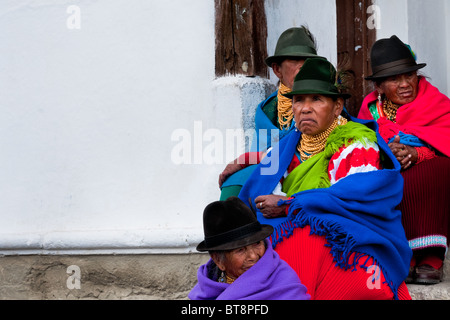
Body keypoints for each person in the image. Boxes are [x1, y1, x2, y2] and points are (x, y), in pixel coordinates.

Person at [238, 57, 412, 300]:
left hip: (352, 239)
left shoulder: (357, 144)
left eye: (316, 99)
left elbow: (350, 200)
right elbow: (256, 188)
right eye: (299, 100)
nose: (305, 108)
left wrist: (289, 204)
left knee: (304, 241)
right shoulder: (283, 150)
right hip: (296, 232)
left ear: (338, 106)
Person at [358, 35, 450, 284]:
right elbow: (361, 145)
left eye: (409, 75)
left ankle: (432, 254)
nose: (405, 84)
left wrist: (419, 153)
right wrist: (388, 154)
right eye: (393, 79)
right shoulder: (369, 111)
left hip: (430, 172)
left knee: (439, 169)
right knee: (381, 178)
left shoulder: (436, 103)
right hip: (390, 170)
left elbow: (447, 136)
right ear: (378, 86)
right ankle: (403, 252)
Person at [219, 26, 321, 200]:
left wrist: (246, 159)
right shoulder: (268, 110)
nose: (302, 67)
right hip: (274, 167)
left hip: (313, 167)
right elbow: (266, 158)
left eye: (307, 60)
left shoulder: (326, 100)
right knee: (234, 183)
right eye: (294, 60)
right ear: (277, 70)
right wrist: (252, 159)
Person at [188, 196, 310, 300]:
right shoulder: (206, 287)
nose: (253, 256)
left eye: (257, 244)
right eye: (240, 250)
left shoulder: (283, 280)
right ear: (218, 260)